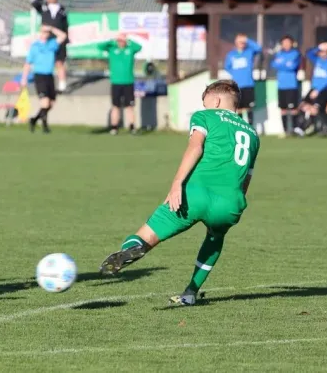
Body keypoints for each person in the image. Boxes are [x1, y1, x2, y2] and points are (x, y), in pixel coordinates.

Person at [99, 80, 260, 307]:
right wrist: (239, 201)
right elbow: (247, 176)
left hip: (195, 194)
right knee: (215, 237)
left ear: (215, 100)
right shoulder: (252, 133)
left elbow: (196, 147)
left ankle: (130, 250)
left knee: (148, 236)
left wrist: (177, 183)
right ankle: (191, 292)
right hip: (230, 203)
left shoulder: (205, 116)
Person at [21, 25, 67, 134]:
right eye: (43, 32)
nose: (44, 34)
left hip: (49, 76)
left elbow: (63, 36)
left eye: (46, 33)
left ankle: (34, 119)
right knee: (45, 103)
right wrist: (24, 78)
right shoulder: (35, 46)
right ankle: (45, 126)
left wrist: (51, 28)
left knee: (52, 103)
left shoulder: (51, 44)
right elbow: (28, 63)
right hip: (39, 76)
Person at [97, 33, 143, 135]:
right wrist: (112, 40)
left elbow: (139, 47)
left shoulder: (130, 49)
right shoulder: (112, 49)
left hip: (128, 82)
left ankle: (132, 127)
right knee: (115, 105)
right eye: (119, 40)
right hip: (116, 82)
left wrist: (129, 41)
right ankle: (114, 127)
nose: (121, 42)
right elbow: (100, 46)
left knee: (129, 106)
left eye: (122, 40)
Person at [31, 0, 69, 93]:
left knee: (59, 62)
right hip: (47, 40)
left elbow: (65, 25)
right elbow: (34, 3)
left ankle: (62, 85)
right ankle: (45, 84)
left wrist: (66, 39)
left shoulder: (62, 9)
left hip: (59, 39)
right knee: (46, 62)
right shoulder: (44, 7)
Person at [296, 42, 327, 136]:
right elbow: (308, 53)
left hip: (325, 89)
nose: (323, 53)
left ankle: (311, 127)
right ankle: (304, 126)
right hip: (314, 88)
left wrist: (319, 90)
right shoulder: (317, 60)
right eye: (321, 51)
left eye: (326, 51)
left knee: (316, 108)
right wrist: (319, 47)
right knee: (303, 105)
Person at [225, 34, 263, 126]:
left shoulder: (249, 52)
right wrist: (236, 74)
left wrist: (247, 39)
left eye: (243, 42)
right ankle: (240, 127)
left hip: (248, 84)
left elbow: (259, 48)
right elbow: (227, 67)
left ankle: (250, 127)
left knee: (249, 107)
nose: (241, 43)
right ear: (236, 42)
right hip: (237, 85)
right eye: (239, 41)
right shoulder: (231, 54)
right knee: (238, 108)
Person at [270, 35, 302, 134]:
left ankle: (295, 129)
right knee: (283, 109)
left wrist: (281, 64)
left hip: (292, 85)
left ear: (292, 43)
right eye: (284, 43)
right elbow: (273, 64)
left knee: (293, 109)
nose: (286, 44)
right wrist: (285, 64)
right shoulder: (279, 54)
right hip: (281, 85)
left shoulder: (296, 54)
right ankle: (285, 131)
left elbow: (292, 66)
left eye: (288, 42)